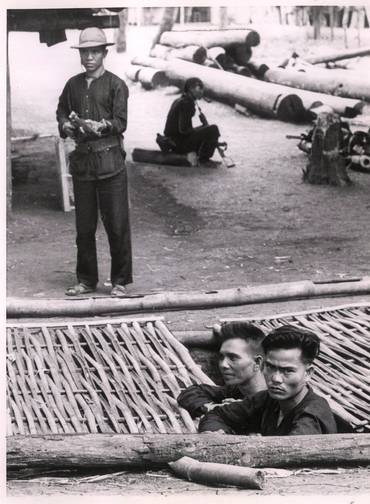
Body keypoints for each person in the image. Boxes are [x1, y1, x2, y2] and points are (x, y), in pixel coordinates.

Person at [56, 27, 132, 297]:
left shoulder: (116, 85)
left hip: (111, 163)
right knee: (84, 228)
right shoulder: (72, 85)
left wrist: (103, 126)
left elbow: (121, 122)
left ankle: (120, 281)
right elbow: (61, 111)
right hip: (83, 165)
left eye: (94, 52)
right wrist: (66, 125)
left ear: (104, 53)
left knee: (117, 225)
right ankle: (87, 280)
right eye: (85, 52)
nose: (89, 57)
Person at [198, 325, 337, 435]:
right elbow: (216, 415)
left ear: (308, 373)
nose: (275, 379)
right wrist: (220, 435)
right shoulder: (268, 400)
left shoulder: (310, 418)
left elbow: (286, 456)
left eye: (287, 371)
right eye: (270, 367)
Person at [178, 322, 266, 417]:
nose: (223, 365)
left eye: (233, 358)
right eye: (221, 357)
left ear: (257, 362)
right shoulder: (237, 390)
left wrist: (242, 407)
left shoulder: (276, 401)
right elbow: (191, 393)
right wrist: (211, 407)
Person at [159, 77, 220, 165]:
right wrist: (204, 128)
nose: (202, 91)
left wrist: (203, 127)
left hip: (174, 141)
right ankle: (204, 160)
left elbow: (183, 130)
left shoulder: (181, 100)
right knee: (214, 129)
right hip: (178, 144)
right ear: (191, 89)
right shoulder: (186, 103)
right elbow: (184, 130)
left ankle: (202, 156)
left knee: (208, 129)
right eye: (200, 88)